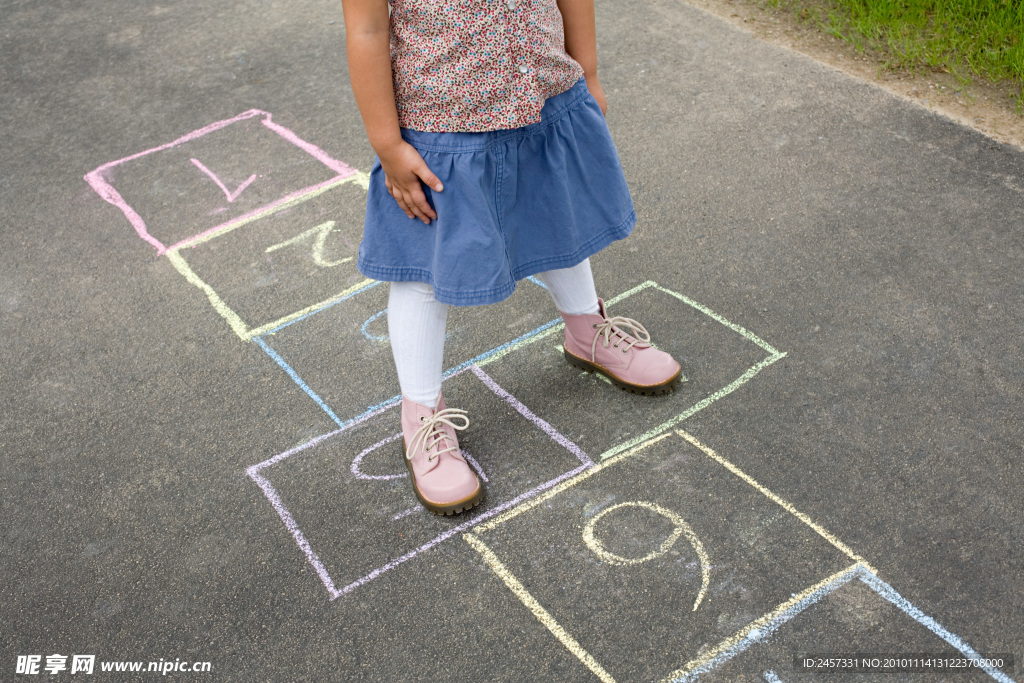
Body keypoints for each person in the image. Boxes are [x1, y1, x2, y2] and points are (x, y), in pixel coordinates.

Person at [341, 0, 683, 515]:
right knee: (425, 271)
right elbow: (366, 28)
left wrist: (586, 73)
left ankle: (587, 331)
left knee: (557, 220)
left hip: (544, 97)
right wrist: (387, 143)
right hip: (441, 125)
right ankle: (421, 414)